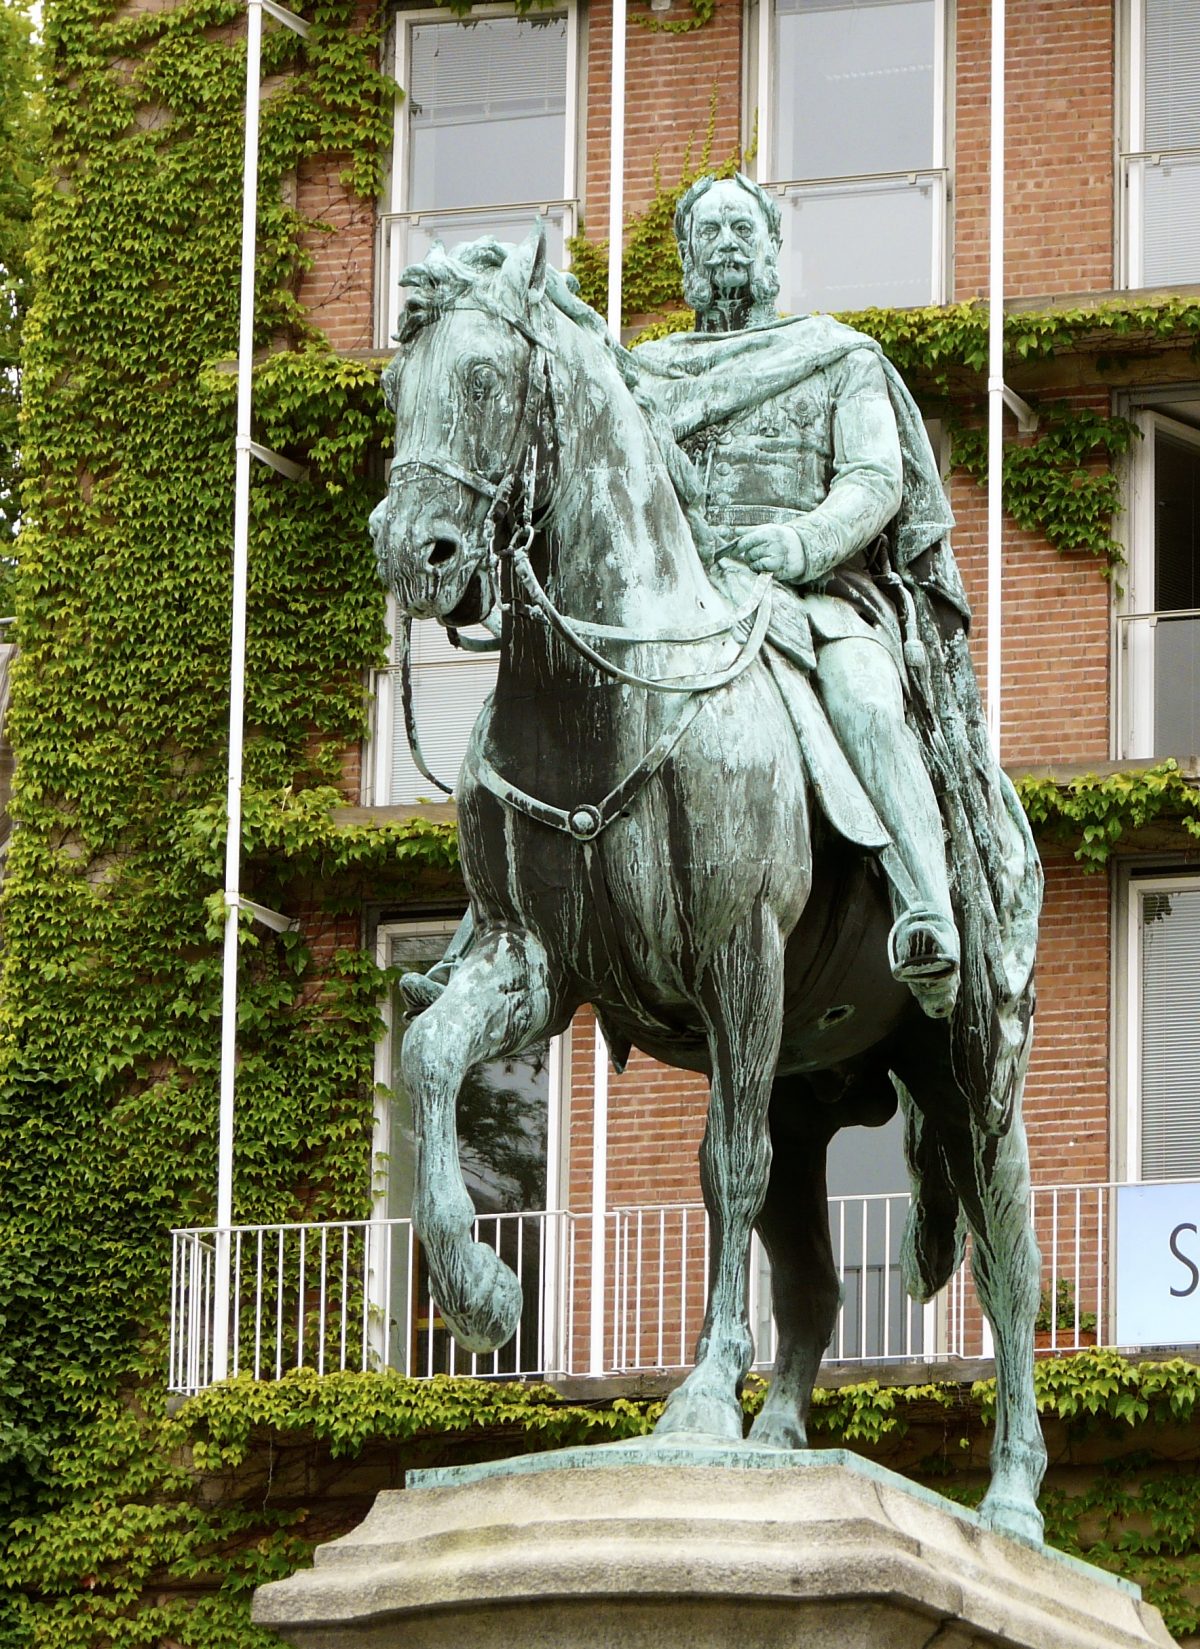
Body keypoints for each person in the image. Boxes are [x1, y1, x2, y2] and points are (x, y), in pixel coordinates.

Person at [633, 172, 962, 1018]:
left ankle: (925, 903)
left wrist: (800, 541)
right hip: (676, 605)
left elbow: (874, 479)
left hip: (816, 598)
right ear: (686, 257)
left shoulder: (837, 357)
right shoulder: (644, 377)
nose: (730, 244)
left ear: (776, 248)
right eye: (712, 232)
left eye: (746, 229)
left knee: (863, 699)